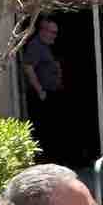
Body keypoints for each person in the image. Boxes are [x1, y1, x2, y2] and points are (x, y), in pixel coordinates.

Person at [21, 15, 68, 165]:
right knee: (43, 130)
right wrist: (39, 89)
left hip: (51, 93)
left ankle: (52, 160)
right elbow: (28, 67)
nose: (55, 36)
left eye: (56, 33)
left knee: (52, 129)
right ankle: (44, 163)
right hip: (41, 95)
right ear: (43, 31)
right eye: (52, 32)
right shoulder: (35, 46)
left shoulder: (46, 46)